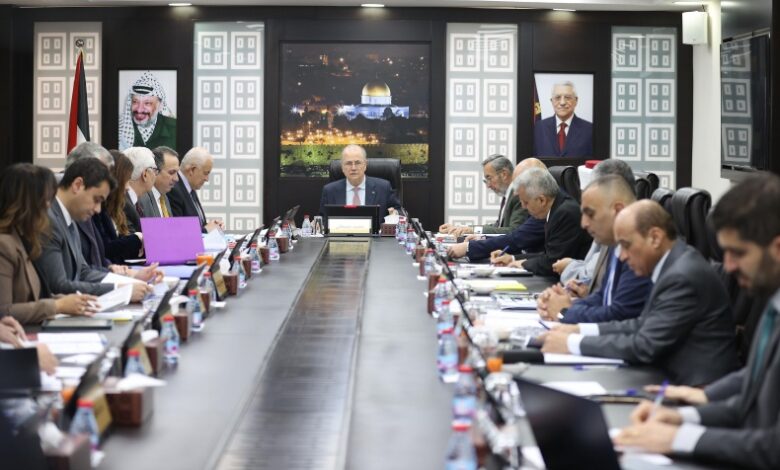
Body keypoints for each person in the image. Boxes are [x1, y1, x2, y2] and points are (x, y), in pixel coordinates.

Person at [615, 172, 780, 469]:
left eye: (738, 253)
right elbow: (750, 401)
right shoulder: (773, 302)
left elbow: (772, 446)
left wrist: (678, 438)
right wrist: (681, 417)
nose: (727, 266)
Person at [540, 200, 739, 385]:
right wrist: (578, 330)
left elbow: (645, 345)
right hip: (670, 375)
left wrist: (572, 343)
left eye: (626, 245)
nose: (622, 257)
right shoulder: (672, 264)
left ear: (655, 238)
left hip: (696, 387)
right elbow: (641, 324)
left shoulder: (682, 275)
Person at [33, 157, 152, 302]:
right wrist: (121, 290)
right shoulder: (49, 220)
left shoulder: (69, 217)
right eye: (96, 200)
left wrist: (131, 280)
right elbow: (58, 285)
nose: (98, 209)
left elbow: (84, 271)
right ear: (77, 185)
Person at [537, 175, 652, 324]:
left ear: (618, 210)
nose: (584, 224)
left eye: (590, 214)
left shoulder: (637, 250)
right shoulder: (614, 244)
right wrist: (563, 304)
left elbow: (619, 314)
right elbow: (603, 296)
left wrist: (564, 311)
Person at [0, 164, 98, 324]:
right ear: (25, 202)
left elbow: (34, 296)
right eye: (45, 199)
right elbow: (3, 312)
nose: (48, 205)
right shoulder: (4, 245)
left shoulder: (24, 239)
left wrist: (66, 301)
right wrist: (58, 305)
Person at [490, 167, 592, 277]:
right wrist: (512, 258)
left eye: (526, 202)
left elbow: (554, 261)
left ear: (542, 200)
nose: (523, 207)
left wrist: (523, 264)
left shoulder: (565, 213)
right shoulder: (556, 208)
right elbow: (548, 254)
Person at [554, 158, 637, 286]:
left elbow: (587, 278)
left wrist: (569, 267)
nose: (584, 224)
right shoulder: (612, 236)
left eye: (591, 214)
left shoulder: (635, 248)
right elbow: (600, 289)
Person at [446, 158, 547, 261]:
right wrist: (481, 237)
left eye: (489, 178)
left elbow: (516, 235)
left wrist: (470, 247)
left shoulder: (541, 210)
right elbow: (508, 231)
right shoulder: (522, 198)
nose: (524, 206)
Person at [439, 154, 527, 237]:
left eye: (489, 178)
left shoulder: (519, 195)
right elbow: (498, 226)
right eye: (486, 180)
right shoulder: (508, 195)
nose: (488, 185)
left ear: (504, 174)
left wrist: (473, 230)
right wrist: (463, 228)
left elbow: (514, 231)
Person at [319, 144, 402, 219]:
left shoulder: (383, 188)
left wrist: (395, 214)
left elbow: (399, 211)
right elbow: (322, 219)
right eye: (348, 163)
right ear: (342, 167)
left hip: (375, 231)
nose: (353, 168)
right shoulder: (330, 191)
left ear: (365, 165)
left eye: (358, 163)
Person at [94, 150, 144, 264]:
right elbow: (105, 249)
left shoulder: (117, 207)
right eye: (126, 181)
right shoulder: (97, 209)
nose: (128, 187)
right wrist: (137, 238)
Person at [168, 146, 223, 233]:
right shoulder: (174, 190)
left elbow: (197, 224)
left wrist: (212, 226)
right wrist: (206, 230)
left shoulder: (190, 187)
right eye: (205, 173)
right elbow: (179, 232)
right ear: (192, 170)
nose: (207, 179)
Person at [118, 71, 177, 151]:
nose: (139, 109)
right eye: (135, 102)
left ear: (160, 106)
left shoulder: (175, 128)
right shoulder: (121, 128)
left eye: (147, 103)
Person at [533, 81, 593, 157]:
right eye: (557, 97)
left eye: (567, 97)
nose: (562, 102)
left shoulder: (590, 130)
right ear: (552, 101)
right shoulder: (538, 128)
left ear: (576, 101)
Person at [123, 146, 158, 233]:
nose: (156, 174)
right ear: (145, 174)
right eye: (155, 170)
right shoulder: (122, 204)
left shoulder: (136, 203)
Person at [138, 146, 179, 218]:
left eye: (177, 173)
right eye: (171, 172)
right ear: (155, 171)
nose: (176, 179)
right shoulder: (142, 199)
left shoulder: (164, 197)